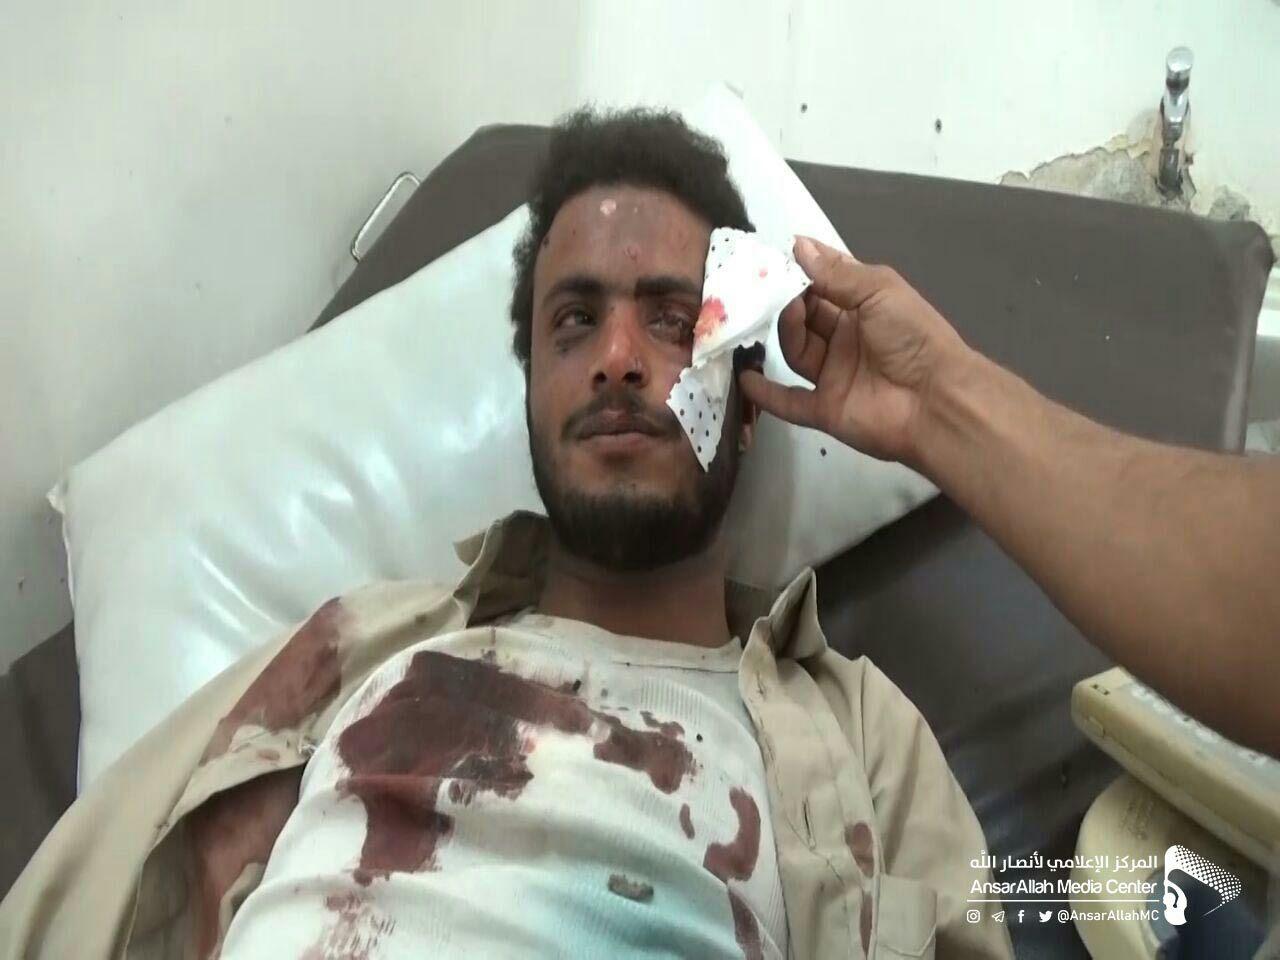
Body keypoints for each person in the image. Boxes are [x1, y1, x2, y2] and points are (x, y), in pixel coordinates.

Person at [1, 108, 1013, 959]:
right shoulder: (360, 647)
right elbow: (87, 894)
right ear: (532, 392)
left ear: (748, 399)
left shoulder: (860, 736)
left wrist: (944, 407)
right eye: (574, 322)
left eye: (672, 320)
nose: (617, 358)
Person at [740, 237, 1280, 761]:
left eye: (690, 317)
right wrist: (929, 398)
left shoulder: (864, 744)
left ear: (746, 421)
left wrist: (931, 396)